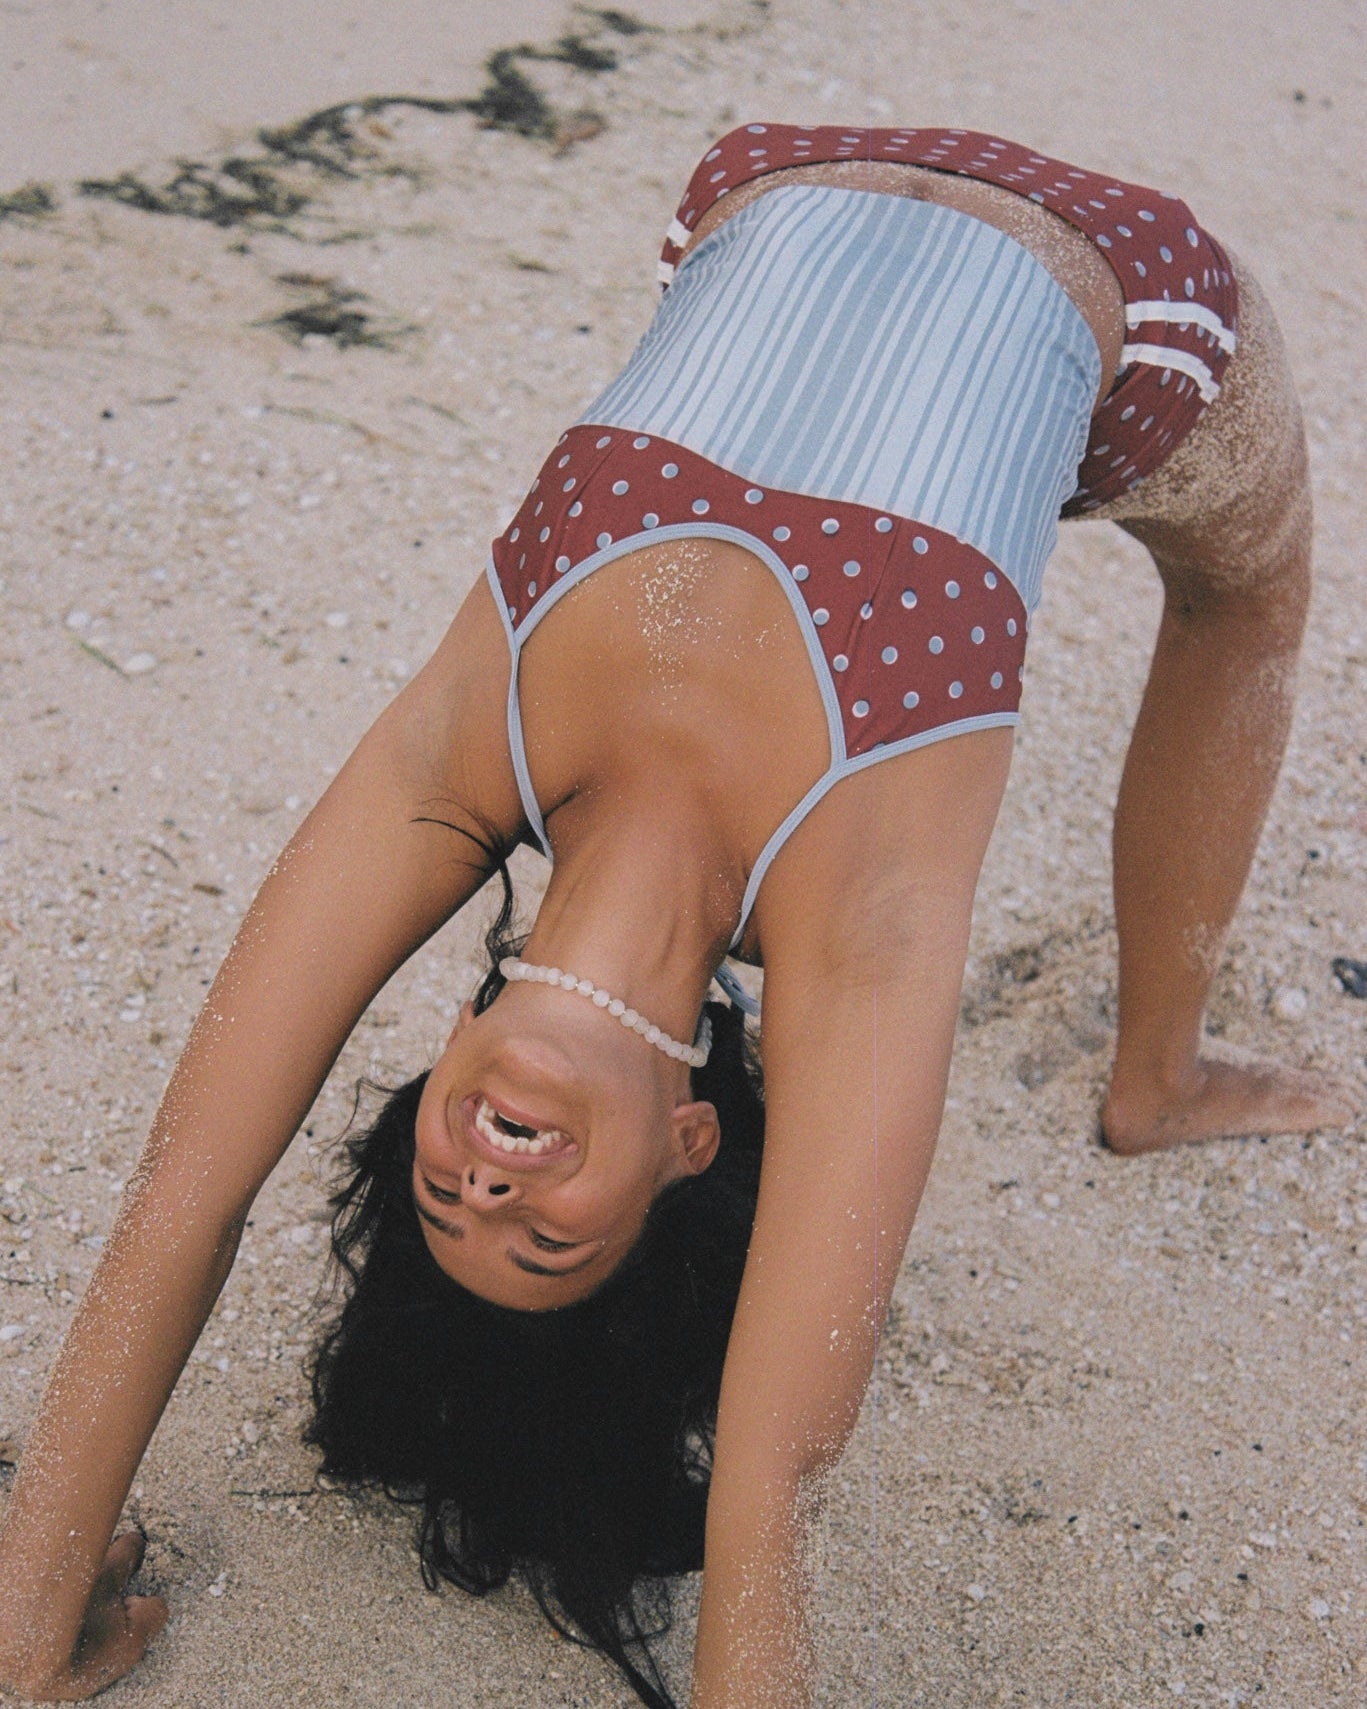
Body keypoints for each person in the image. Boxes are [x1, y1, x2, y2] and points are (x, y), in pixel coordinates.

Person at [0, 122, 1354, 1709]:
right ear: (693, 1142)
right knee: (1250, 588)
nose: (486, 1184)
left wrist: (30, 1611)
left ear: (444, 1061)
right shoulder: (857, 924)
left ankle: (1163, 1073)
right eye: (548, 1235)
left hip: (772, 187)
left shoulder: (461, 755)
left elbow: (184, 1195)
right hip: (1129, 293)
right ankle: (1159, 1071)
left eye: (442, 1202)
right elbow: (773, 1468)